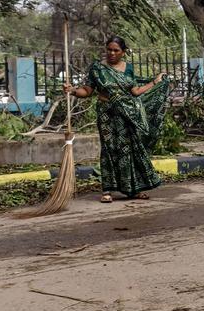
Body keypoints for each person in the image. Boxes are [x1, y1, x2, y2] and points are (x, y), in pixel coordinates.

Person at [63, 36, 171, 202]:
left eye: (116, 50)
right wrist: (73, 90)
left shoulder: (128, 68)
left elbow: (134, 91)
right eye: (109, 49)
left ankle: (133, 189)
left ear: (123, 52)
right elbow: (88, 91)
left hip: (126, 114)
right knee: (109, 148)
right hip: (106, 113)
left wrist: (154, 82)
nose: (111, 53)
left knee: (129, 149)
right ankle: (107, 190)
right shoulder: (97, 68)